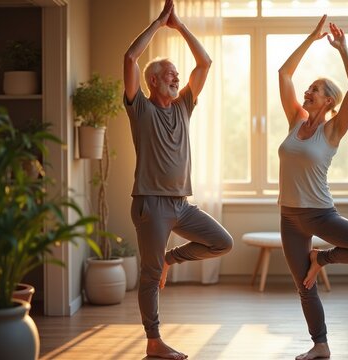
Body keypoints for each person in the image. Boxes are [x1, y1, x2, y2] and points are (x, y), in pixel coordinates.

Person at [123, 1, 233, 359]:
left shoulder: (185, 105)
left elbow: (205, 64)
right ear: (152, 81)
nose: (176, 76)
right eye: (169, 73)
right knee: (150, 277)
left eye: (176, 74)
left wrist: (180, 25)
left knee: (221, 242)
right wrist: (158, 23)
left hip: (181, 205)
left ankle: (172, 258)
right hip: (151, 205)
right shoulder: (140, 108)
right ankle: (154, 341)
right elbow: (129, 59)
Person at [277, 15, 348, 360]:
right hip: (289, 218)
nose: (307, 92)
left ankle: (321, 257)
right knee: (305, 285)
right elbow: (284, 74)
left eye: (315, 90)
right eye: (308, 89)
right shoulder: (295, 120)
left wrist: (342, 48)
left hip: (321, 214)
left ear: (328, 102)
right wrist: (311, 37)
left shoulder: (333, 130)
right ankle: (320, 345)